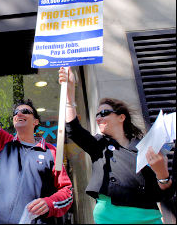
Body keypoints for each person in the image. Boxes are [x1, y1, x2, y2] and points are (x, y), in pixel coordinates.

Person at [0, 52, 73, 224]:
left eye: (25, 111)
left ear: (36, 121)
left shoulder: (51, 152)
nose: (19, 114)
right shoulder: (3, 142)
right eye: (16, 112)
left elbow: (66, 191)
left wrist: (49, 203)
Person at [58, 66, 174, 224]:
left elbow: (164, 195)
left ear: (121, 117)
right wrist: (69, 95)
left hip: (148, 216)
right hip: (110, 215)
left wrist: (162, 174)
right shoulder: (98, 145)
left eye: (104, 113)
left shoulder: (146, 147)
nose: (99, 118)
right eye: (97, 115)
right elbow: (74, 129)